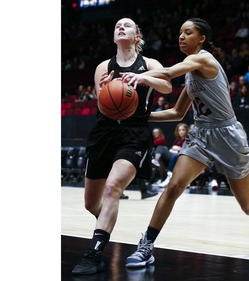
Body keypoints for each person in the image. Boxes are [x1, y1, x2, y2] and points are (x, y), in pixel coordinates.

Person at [121, 18, 249, 268]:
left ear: (202, 38)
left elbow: (165, 73)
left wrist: (137, 76)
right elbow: (176, 113)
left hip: (227, 136)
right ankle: (147, 246)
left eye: (188, 33)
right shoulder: (190, 73)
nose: (181, 37)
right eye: (180, 33)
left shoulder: (203, 59)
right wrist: (139, 116)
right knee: (173, 186)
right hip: (201, 135)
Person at [71, 17, 172, 275]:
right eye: (117, 26)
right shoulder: (103, 67)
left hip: (134, 132)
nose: (120, 27)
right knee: (91, 203)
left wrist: (144, 79)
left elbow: (167, 85)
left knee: (113, 188)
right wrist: (106, 90)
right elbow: (102, 103)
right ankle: (106, 224)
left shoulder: (150, 64)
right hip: (104, 132)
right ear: (114, 36)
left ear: (137, 35)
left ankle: (93, 254)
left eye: (126, 25)